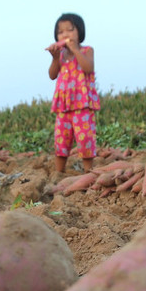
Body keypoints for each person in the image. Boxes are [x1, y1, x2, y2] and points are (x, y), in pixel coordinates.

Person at [46, 12, 98, 173]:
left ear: (80, 32)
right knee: (61, 141)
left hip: (82, 104)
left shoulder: (87, 50)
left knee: (85, 139)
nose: (65, 34)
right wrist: (55, 58)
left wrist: (75, 50)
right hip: (63, 106)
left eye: (70, 30)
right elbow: (52, 75)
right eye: (60, 32)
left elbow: (88, 68)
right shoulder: (60, 55)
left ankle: (88, 171)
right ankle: (58, 173)